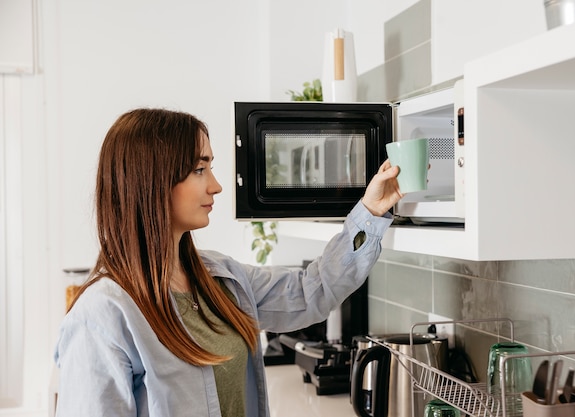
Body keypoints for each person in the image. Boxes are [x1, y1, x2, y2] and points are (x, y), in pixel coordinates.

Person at [54, 108, 403, 417]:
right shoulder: (101, 317)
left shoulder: (220, 278)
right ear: (153, 180)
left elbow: (311, 292)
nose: (217, 186)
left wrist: (369, 213)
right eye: (199, 169)